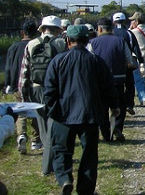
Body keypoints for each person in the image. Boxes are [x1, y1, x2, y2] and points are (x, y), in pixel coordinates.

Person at [45, 24, 118, 195]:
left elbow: (49, 91)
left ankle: (64, 180)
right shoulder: (96, 61)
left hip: (63, 116)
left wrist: (53, 111)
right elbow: (109, 87)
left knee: (61, 151)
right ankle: (85, 190)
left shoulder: (58, 61)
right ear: (87, 41)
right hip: (90, 116)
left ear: (68, 40)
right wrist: (114, 107)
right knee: (89, 155)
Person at [18, 15, 67, 155]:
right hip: (57, 88)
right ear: (58, 29)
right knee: (56, 121)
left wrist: (24, 96)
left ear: (42, 29)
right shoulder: (61, 43)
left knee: (42, 123)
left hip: (36, 88)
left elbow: (24, 72)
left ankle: (47, 151)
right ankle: (57, 152)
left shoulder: (31, 44)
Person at [89, 18, 132, 142]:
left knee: (102, 108)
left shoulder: (92, 43)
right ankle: (117, 128)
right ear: (112, 29)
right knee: (120, 106)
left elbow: (89, 61)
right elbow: (129, 59)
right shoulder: (121, 41)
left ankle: (106, 134)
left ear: (100, 29)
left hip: (100, 82)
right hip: (118, 80)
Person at [113, 12, 144, 115]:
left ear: (114, 22)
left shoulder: (111, 33)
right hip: (127, 63)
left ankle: (115, 106)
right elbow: (136, 49)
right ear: (124, 22)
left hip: (113, 64)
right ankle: (129, 105)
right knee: (130, 85)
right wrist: (141, 61)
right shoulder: (129, 33)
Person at [5, 20, 37, 96]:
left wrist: (7, 84)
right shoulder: (37, 46)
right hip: (32, 87)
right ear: (36, 33)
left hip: (15, 87)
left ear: (22, 32)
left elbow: (8, 68)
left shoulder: (13, 47)